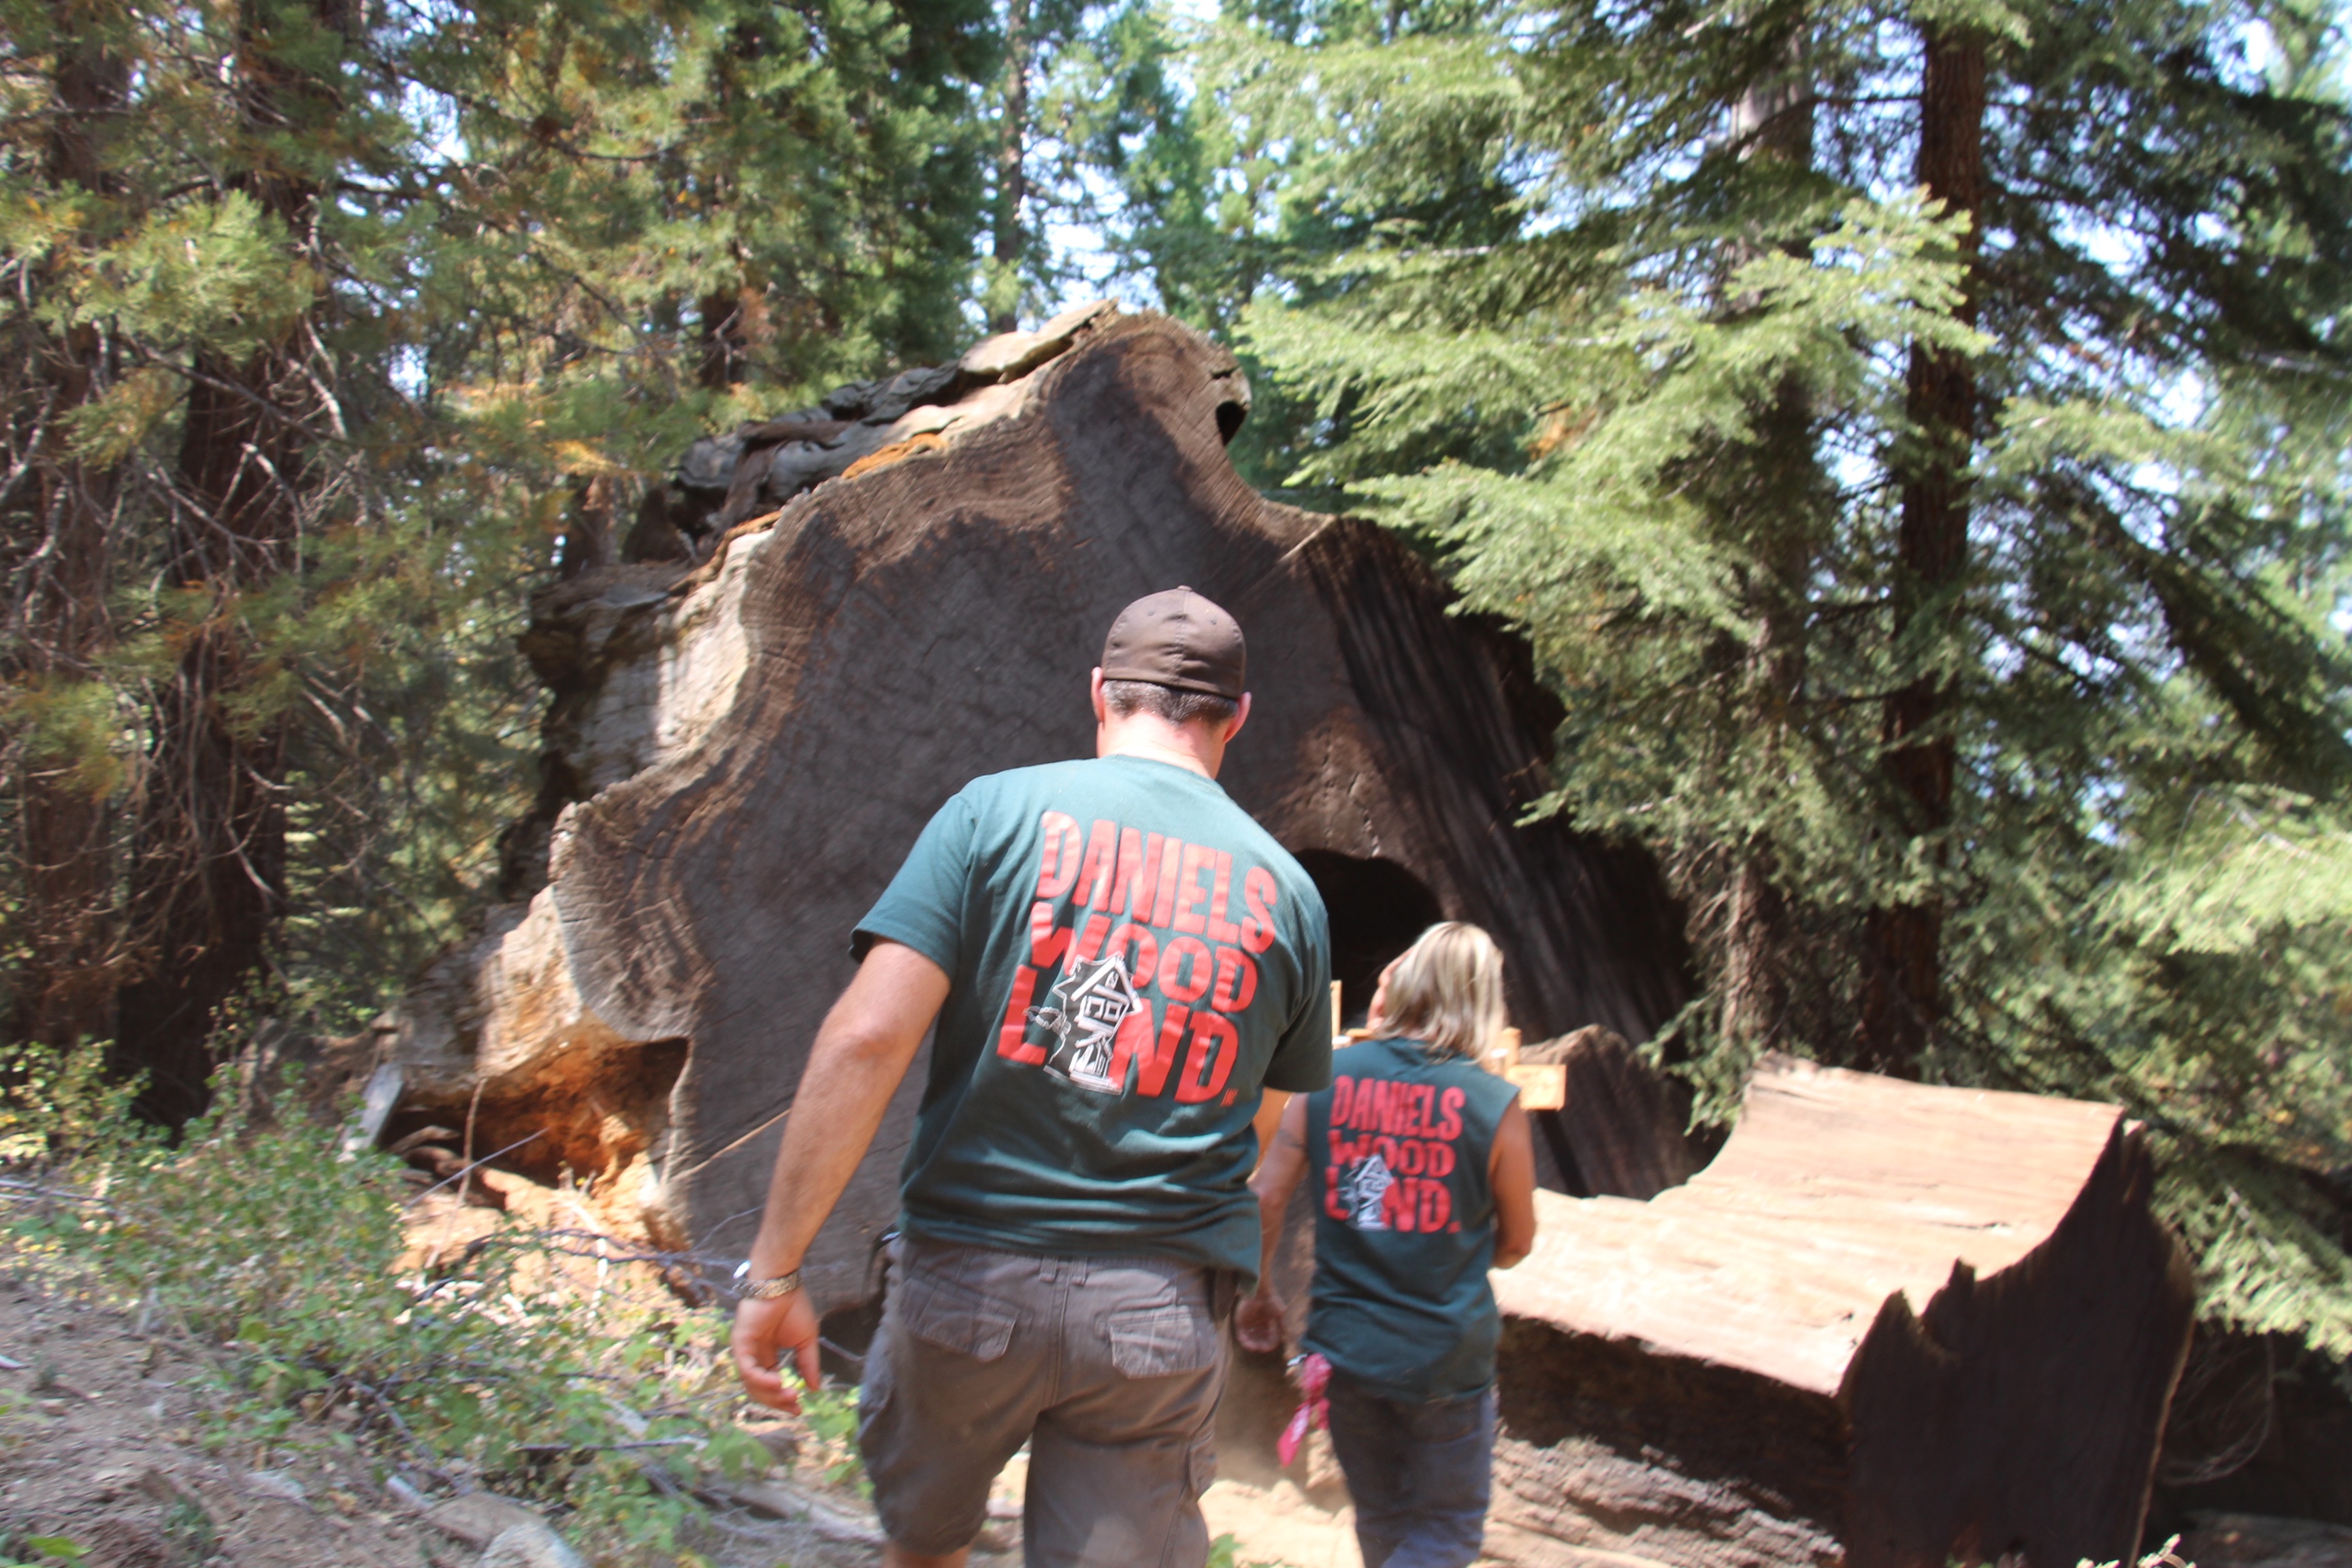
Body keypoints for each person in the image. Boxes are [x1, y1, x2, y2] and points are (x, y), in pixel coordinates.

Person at [730, 587, 1335, 1568]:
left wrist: (777, 1270)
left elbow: (865, 1041)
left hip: (968, 1282)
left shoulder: (991, 815)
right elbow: (1260, 1132)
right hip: (1155, 1312)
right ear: (1240, 716)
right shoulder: (1289, 896)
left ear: (1101, 693)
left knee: (922, 1549)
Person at [1236, 921, 1538, 1568]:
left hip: (1344, 1352)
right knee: (1449, 1532)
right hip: (1445, 1360)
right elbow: (1518, 1241)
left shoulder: (1328, 1077)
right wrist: (1456, 1252)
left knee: (1383, 1519)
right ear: (1481, 999)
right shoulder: (1494, 1104)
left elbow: (1267, 1196)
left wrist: (1260, 1291)